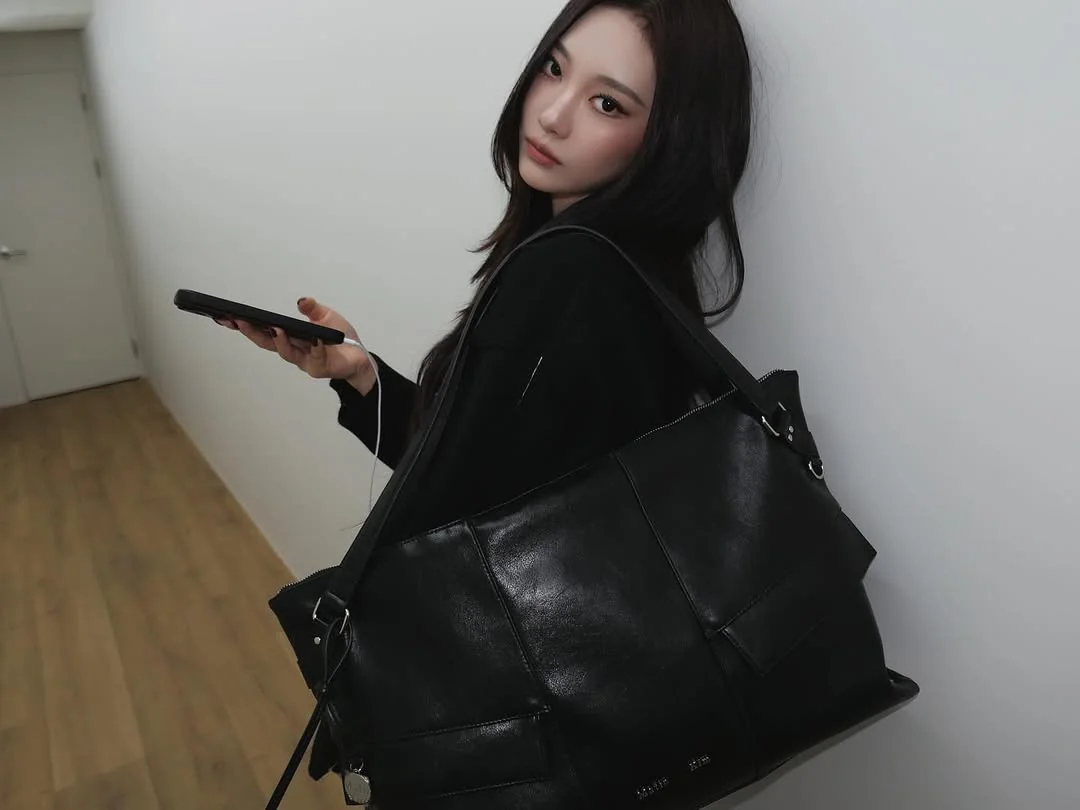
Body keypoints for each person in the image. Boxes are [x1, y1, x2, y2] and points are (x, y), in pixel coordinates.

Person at [217, 0, 754, 543]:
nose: (552, 115)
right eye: (554, 68)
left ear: (669, 140)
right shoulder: (626, 270)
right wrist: (361, 374)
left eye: (607, 103)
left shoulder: (573, 270)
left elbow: (458, 513)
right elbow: (477, 467)